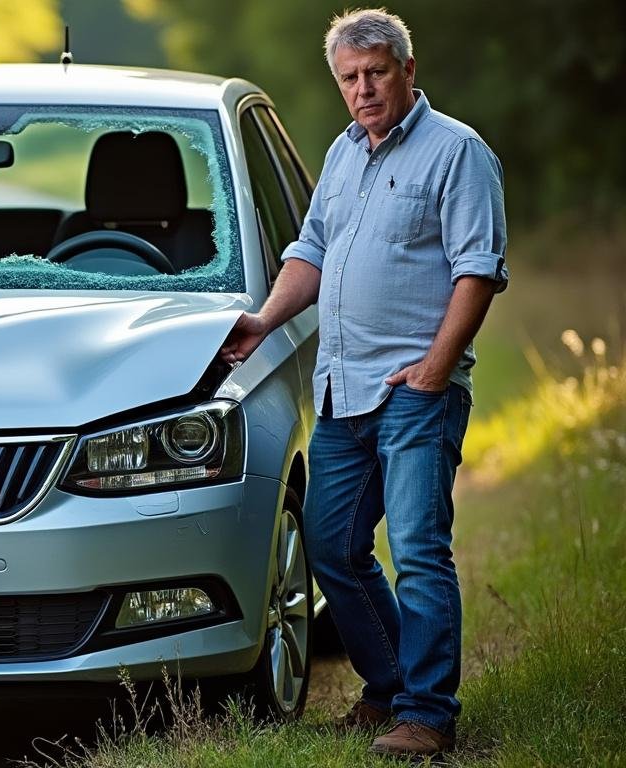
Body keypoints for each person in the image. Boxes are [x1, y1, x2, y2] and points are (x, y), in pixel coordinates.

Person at [219, 7, 507, 760]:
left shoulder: (457, 153)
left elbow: (478, 271)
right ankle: (385, 688)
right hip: (343, 393)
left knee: (417, 548)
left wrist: (437, 370)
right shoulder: (345, 155)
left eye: (376, 72)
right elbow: (311, 250)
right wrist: (262, 319)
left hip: (415, 392)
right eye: (349, 77)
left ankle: (428, 714)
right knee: (333, 548)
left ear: (408, 71)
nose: (363, 88)